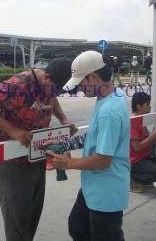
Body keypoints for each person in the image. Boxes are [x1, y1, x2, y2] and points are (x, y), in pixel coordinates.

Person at [0, 58, 76, 241]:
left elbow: (52, 99)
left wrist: (63, 119)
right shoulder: (16, 86)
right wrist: (13, 131)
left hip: (35, 156)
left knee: (31, 214)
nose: (56, 95)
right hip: (12, 162)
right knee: (17, 220)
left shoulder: (49, 88)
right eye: (56, 90)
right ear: (46, 77)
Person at [47, 51, 130, 241]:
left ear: (93, 76)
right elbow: (94, 136)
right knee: (78, 227)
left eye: (81, 82)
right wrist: (65, 142)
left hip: (106, 190)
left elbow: (103, 160)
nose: (80, 88)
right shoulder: (109, 98)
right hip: (94, 186)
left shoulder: (109, 112)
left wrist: (66, 163)